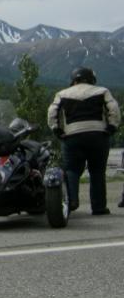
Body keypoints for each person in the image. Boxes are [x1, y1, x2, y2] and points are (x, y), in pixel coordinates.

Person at [47, 67, 120, 215]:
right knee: (97, 172)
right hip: (98, 135)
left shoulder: (62, 94)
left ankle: (72, 201)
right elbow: (114, 109)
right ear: (92, 79)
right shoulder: (102, 91)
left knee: (72, 170)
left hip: (72, 136)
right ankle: (99, 208)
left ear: (73, 80)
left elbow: (52, 112)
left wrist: (57, 129)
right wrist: (112, 127)